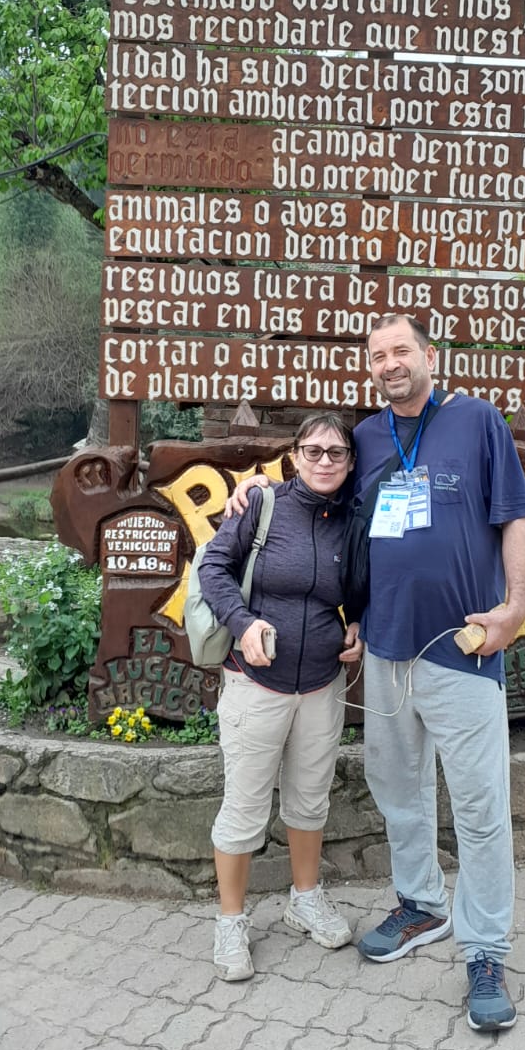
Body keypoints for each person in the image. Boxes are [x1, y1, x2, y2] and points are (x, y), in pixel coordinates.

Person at [228, 316, 525, 1031]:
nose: (390, 363)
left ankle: (485, 950)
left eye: (402, 351)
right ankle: (421, 906)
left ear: (431, 356)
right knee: (399, 791)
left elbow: (516, 517)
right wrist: (254, 484)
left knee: (482, 810)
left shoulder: (479, 423)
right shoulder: (364, 437)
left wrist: (516, 605)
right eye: (378, 356)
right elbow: (311, 485)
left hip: (464, 650)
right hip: (386, 653)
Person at [197, 412, 363, 983]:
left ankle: (305, 898)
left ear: (348, 461)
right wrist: (242, 624)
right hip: (255, 682)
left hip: (321, 683)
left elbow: (361, 583)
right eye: (313, 451)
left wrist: (358, 623)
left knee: (309, 801)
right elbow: (213, 567)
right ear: (293, 455)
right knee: (244, 807)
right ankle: (230, 920)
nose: (324, 462)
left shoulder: (352, 518)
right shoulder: (261, 505)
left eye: (335, 453)